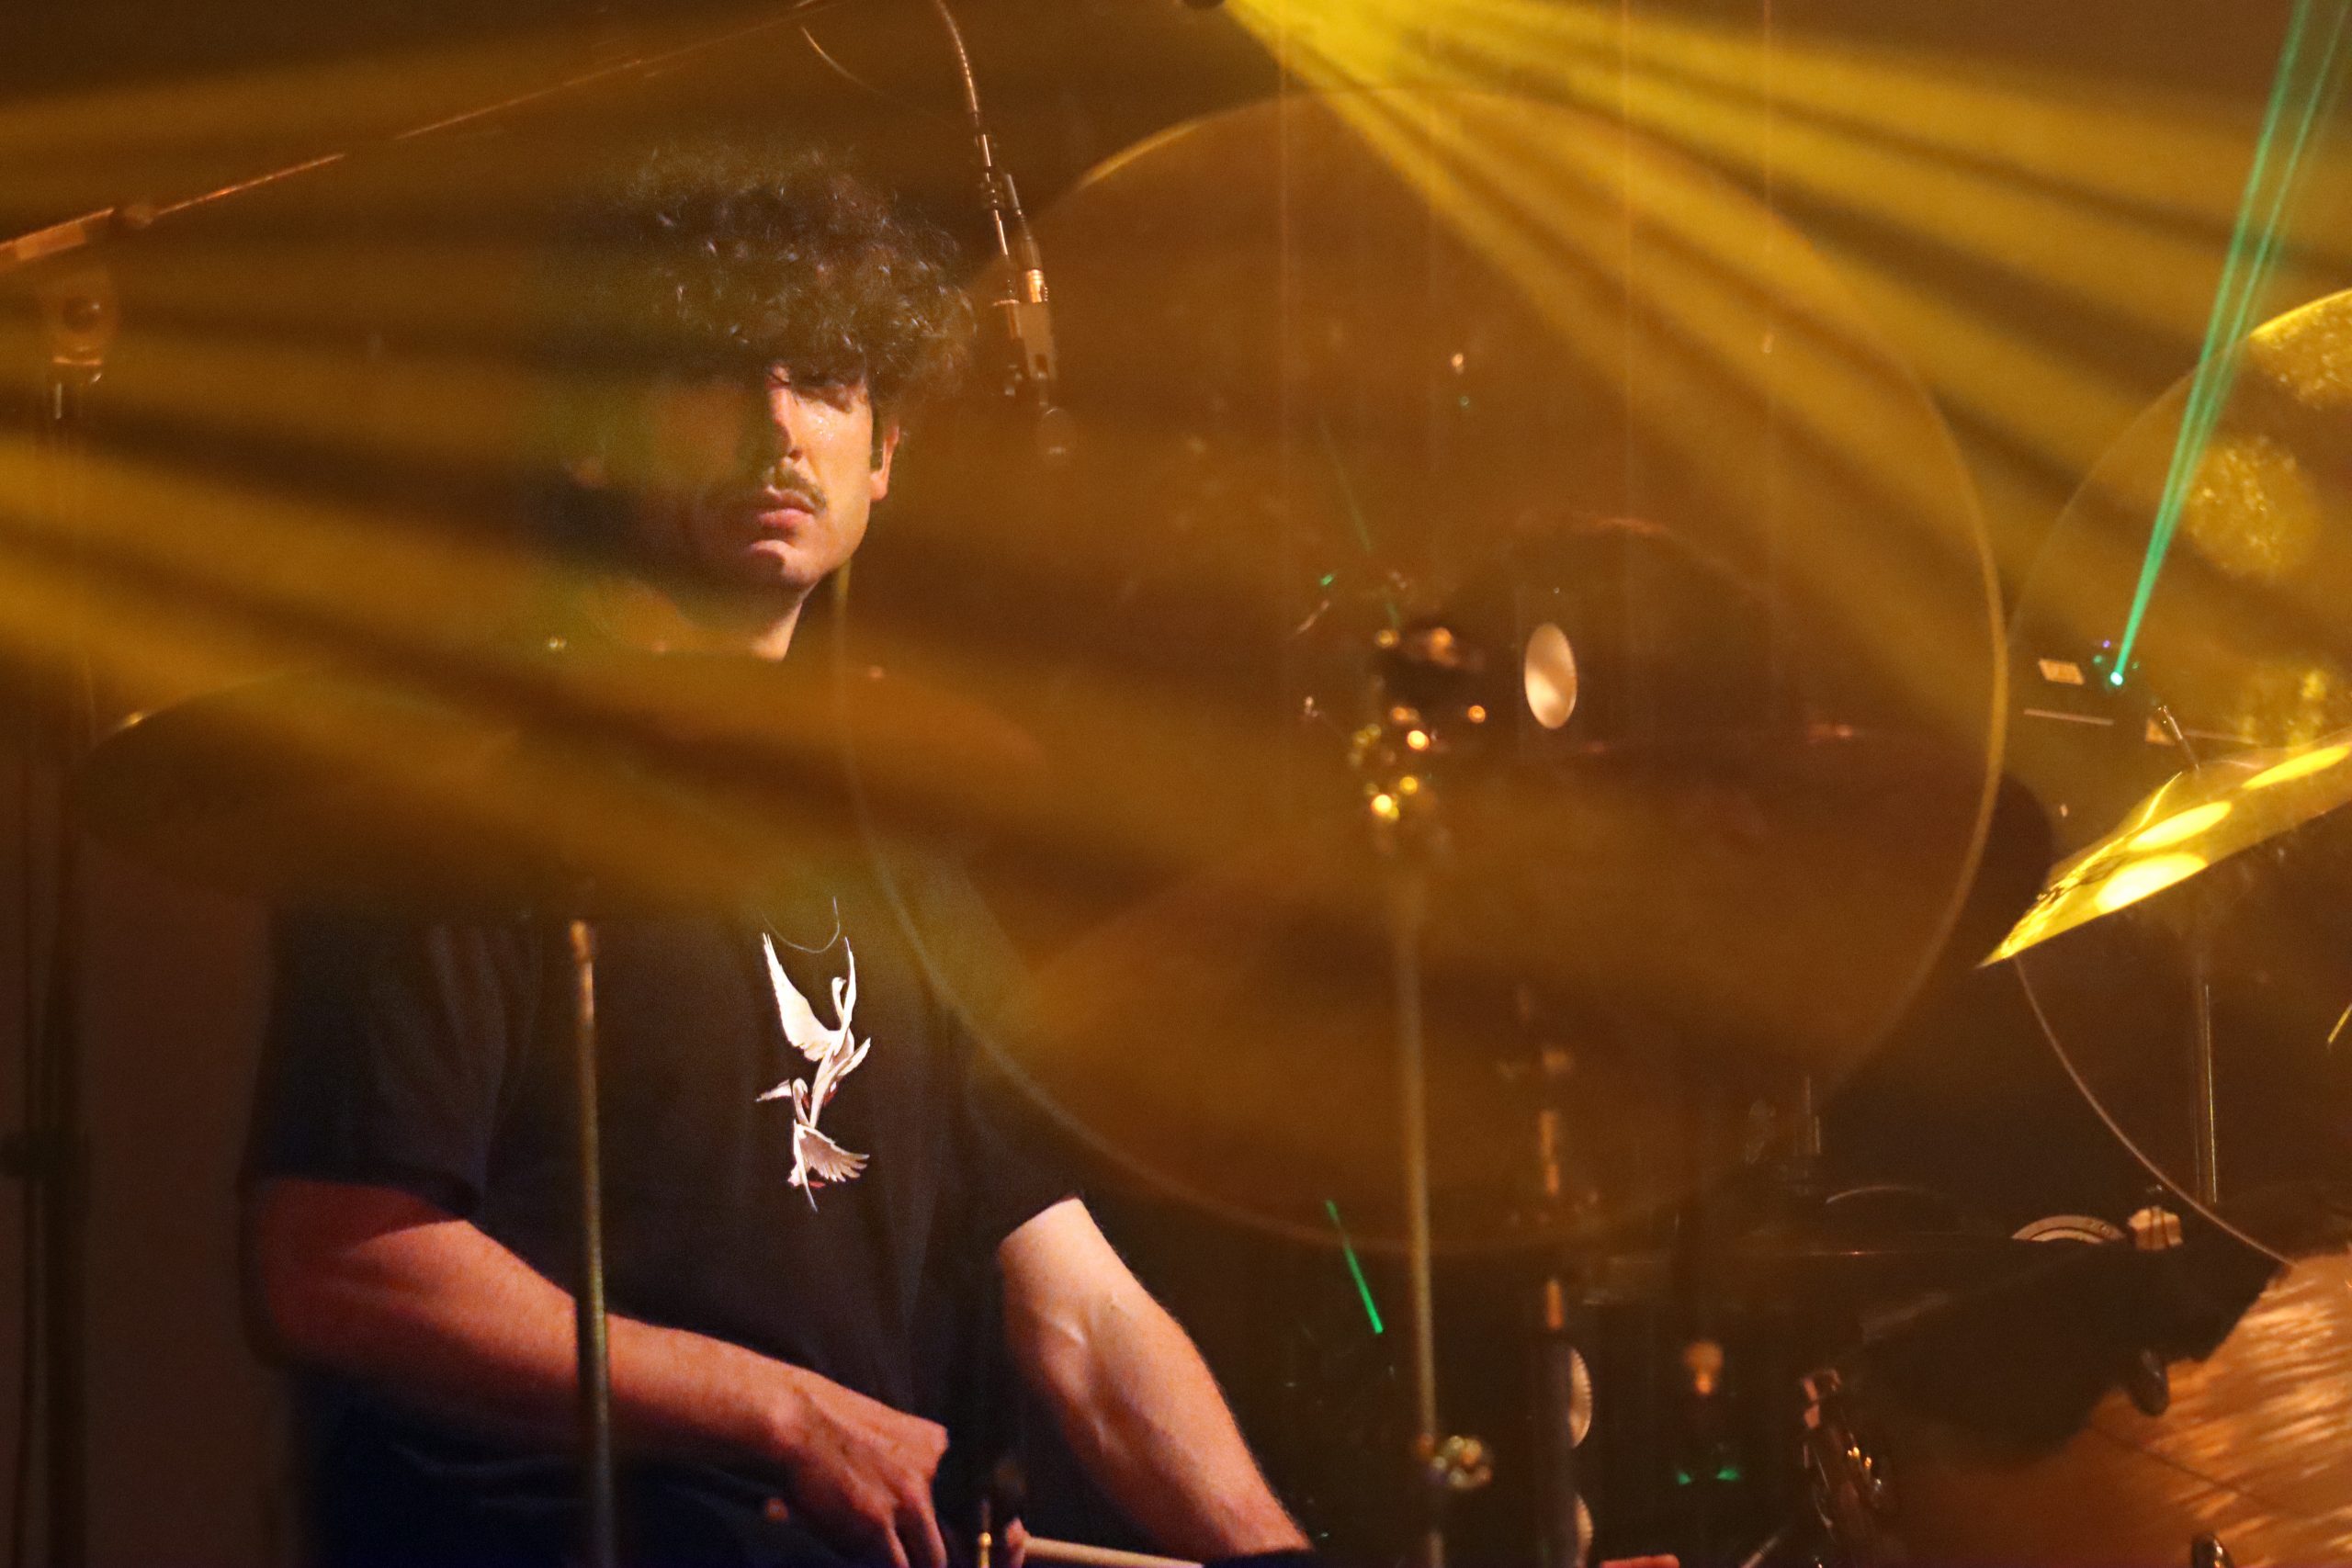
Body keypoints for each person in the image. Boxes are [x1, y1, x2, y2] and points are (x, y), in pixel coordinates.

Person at [243, 141, 1311, 1568]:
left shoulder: (896, 858)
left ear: (884, 458)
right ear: (592, 437)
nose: (776, 432)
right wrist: (786, 1416)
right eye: (711, 374)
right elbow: (340, 1264)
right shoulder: (464, 803)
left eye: (823, 382)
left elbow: (1081, 1308)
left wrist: (1272, 1556)